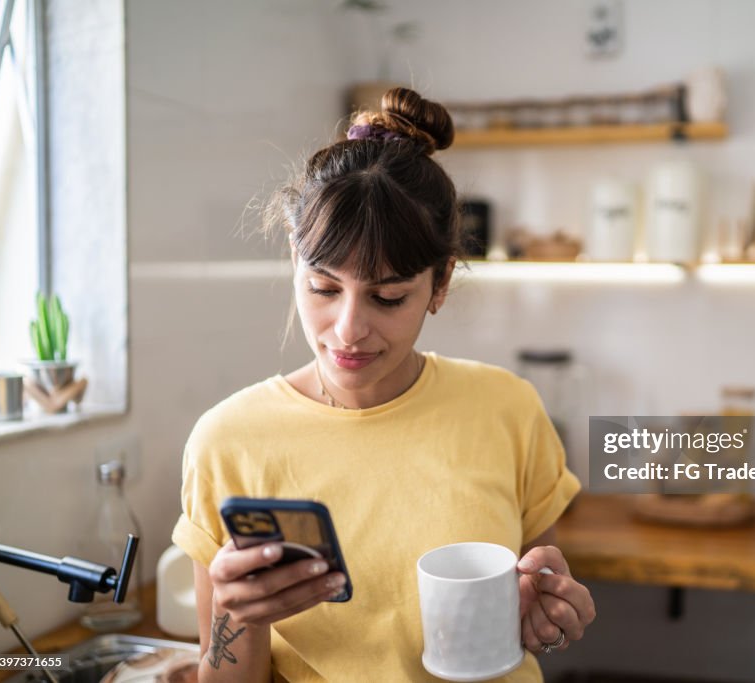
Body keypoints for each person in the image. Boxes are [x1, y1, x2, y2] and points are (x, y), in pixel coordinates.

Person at [172, 87, 596, 682]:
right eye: (323, 288)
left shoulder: (507, 407)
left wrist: (546, 612)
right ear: (294, 261)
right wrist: (239, 618)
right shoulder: (228, 440)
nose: (347, 330)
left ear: (441, 282)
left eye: (388, 296)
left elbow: (537, 590)